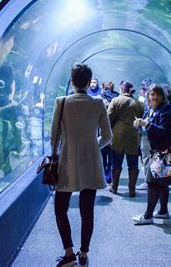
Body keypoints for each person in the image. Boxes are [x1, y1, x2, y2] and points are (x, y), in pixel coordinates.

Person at [52, 63, 112, 267]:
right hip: (91, 162)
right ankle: (83, 254)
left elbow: (54, 137)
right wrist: (93, 146)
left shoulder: (61, 102)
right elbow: (107, 137)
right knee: (87, 211)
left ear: (71, 81)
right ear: (89, 82)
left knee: (61, 208)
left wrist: (55, 154)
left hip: (66, 160)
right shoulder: (98, 103)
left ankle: (69, 254)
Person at [132, 84, 171, 225]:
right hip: (156, 151)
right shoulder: (152, 109)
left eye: (157, 94)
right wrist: (139, 125)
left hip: (161, 152)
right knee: (162, 183)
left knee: (152, 183)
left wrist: (146, 124)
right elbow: (147, 127)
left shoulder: (166, 109)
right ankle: (163, 211)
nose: (154, 97)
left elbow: (163, 130)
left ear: (163, 96)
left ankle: (148, 216)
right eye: (152, 94)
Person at [107, 81, 144, 197]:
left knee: (116, 162)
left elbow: (109, 118)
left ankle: (114, 187)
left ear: (122, 89)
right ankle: (132, 189)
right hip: (133, 136)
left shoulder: (116, 100)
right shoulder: (138, 103)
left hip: (118, 136)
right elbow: (141, 118)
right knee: (133, 164)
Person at [100, 82, 119, 184]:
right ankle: (109, 176)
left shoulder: (100, 99)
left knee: (103, 155)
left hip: (103, 131)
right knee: (112, 156)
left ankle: (104, 175)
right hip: (114, 131)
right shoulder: (117, 98)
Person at [136, 78, 153, 191]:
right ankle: (150, 180)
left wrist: (142, 124)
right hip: (146, 133)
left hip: (147, 134)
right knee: (146, 158)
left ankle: (149, 182)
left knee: (147, 158)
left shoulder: (148, 101)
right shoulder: (148, 101)